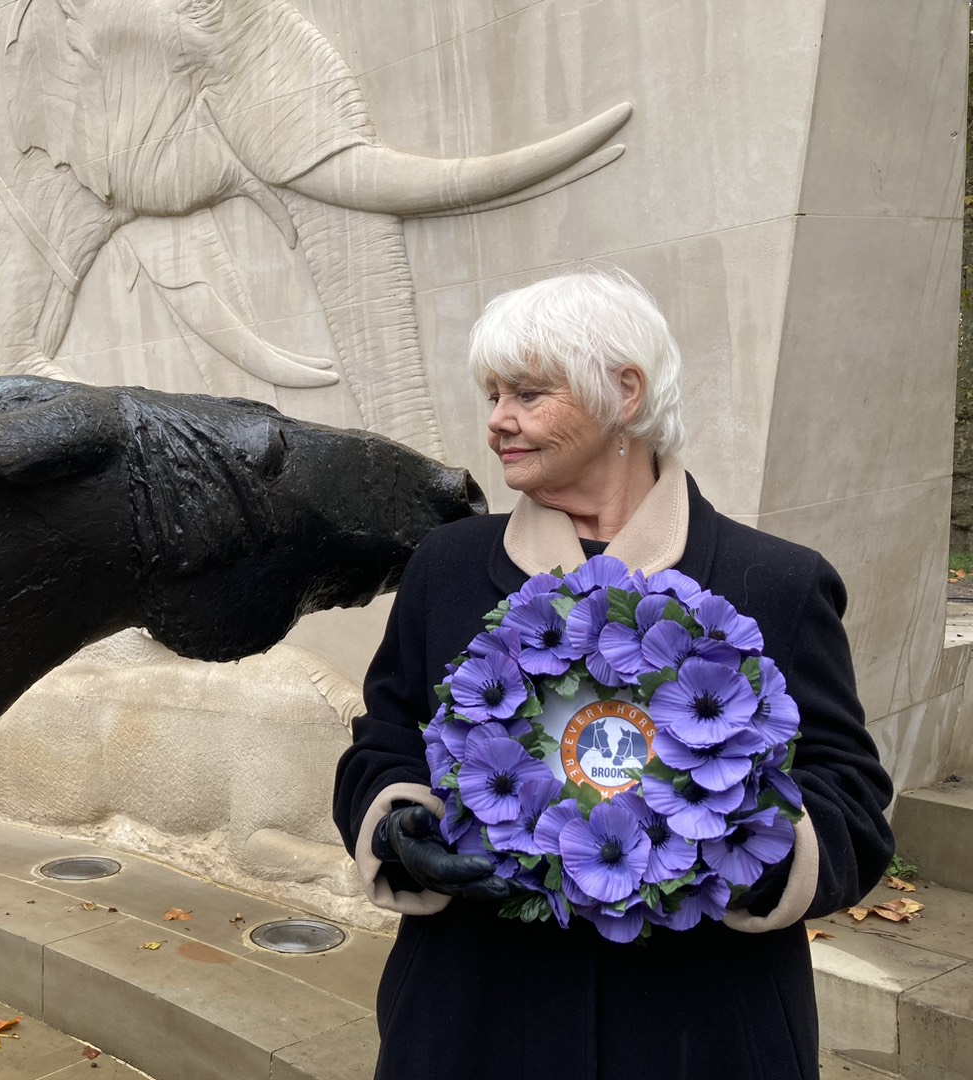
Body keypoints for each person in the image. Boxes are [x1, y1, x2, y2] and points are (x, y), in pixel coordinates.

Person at [332, 269, 895, 1080]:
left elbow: (853, 798)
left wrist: (753, 850)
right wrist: (398, 826)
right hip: (473, 1019)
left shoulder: (778, 582)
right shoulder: (445, 566)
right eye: (493, 395)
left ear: (625, 393)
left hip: (702, 1033)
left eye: (528, 394)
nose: (498, 421)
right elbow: (384, 739)